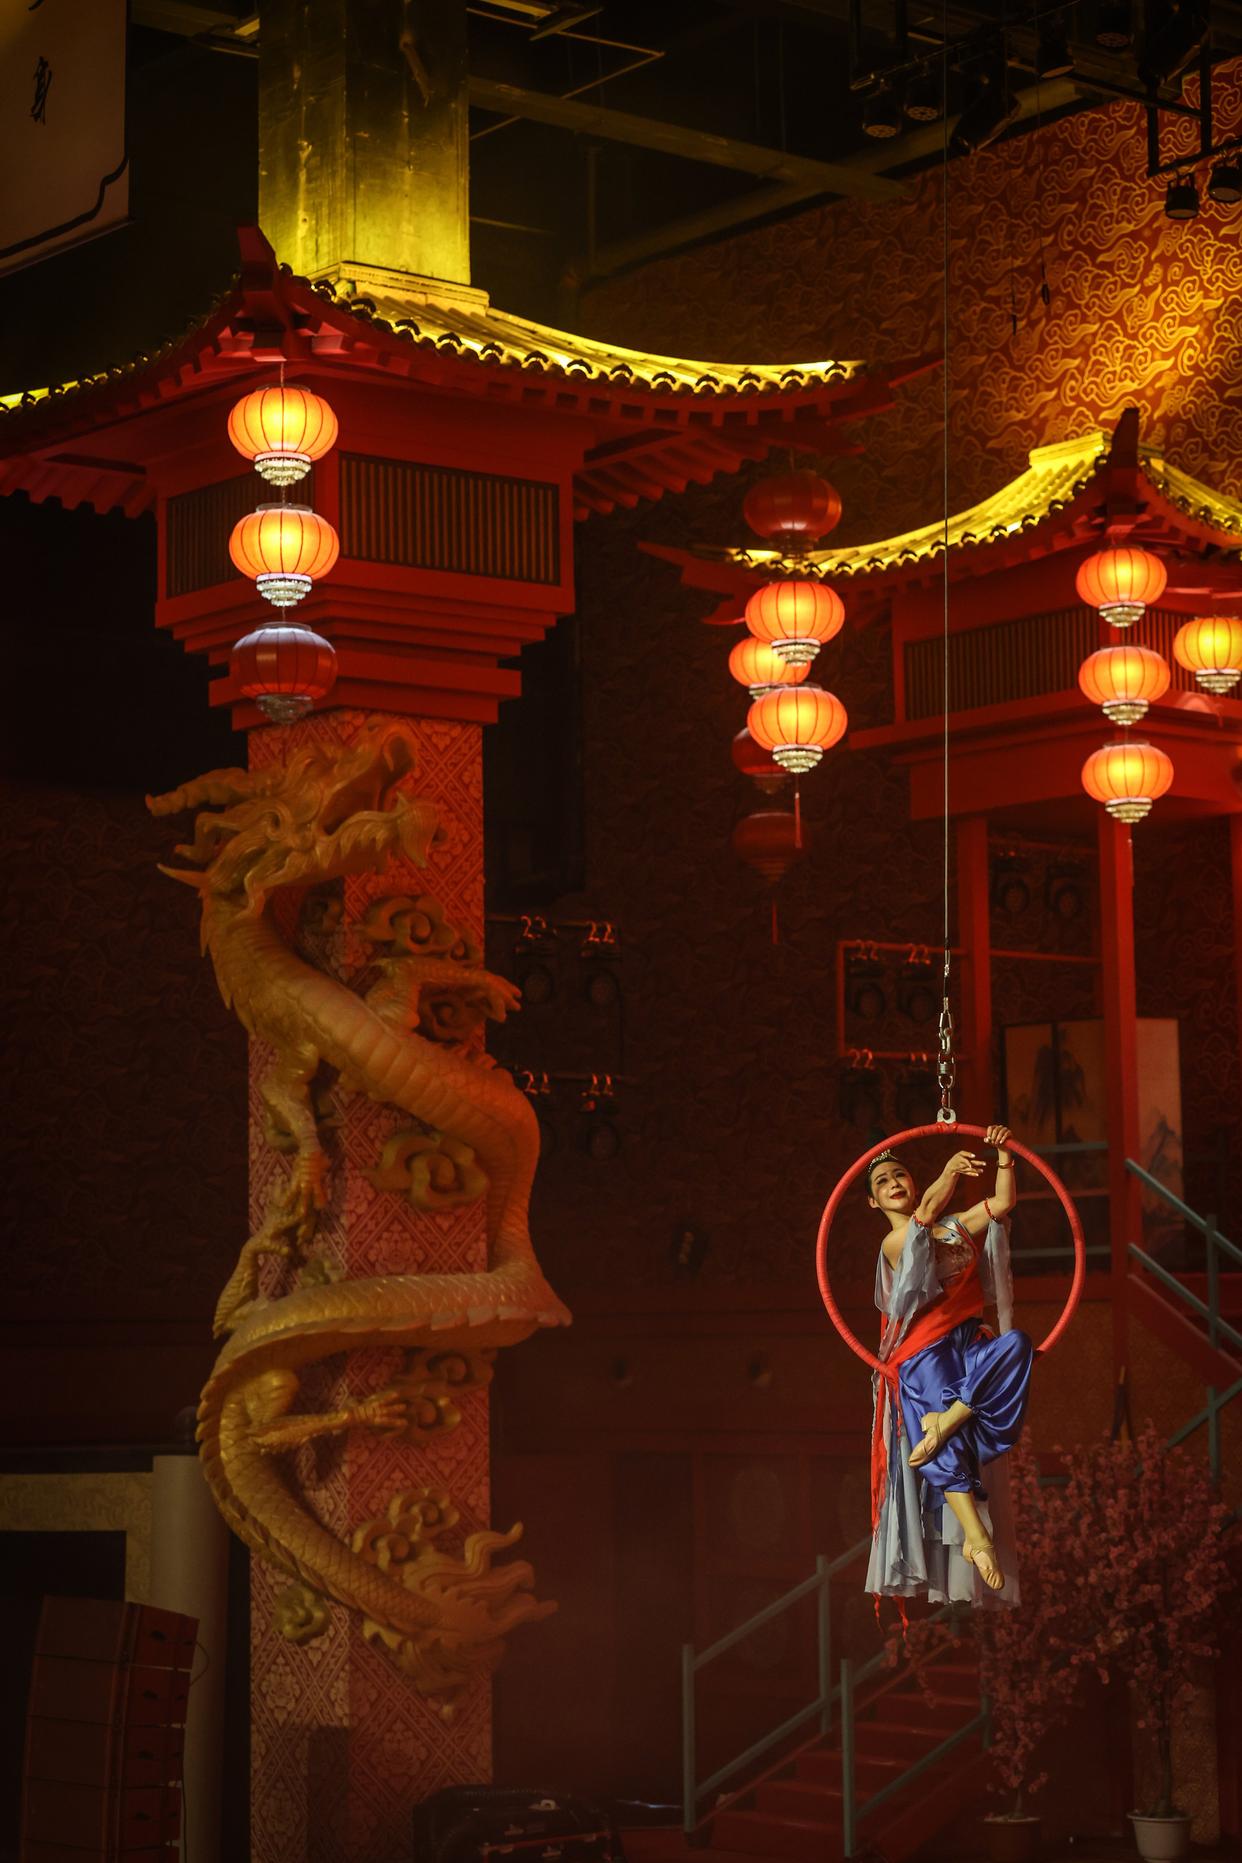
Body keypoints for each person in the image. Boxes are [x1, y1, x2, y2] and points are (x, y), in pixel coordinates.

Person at [865, 1125, 1032, 1603]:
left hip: (966, 1340)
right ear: (874, 1202)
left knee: (1016, 1345)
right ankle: (977, 1536)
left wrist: (1004, 1156)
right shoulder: (895, 1242)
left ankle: (952, 1416)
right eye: (882, 1182)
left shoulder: (954, 1225)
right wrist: (950, 1173)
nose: (893, 1182)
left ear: (913, 1181)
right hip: (922, 1349)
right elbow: (922, 1219)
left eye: (899, 1174)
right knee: (942, 1430)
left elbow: (1002, 1203)